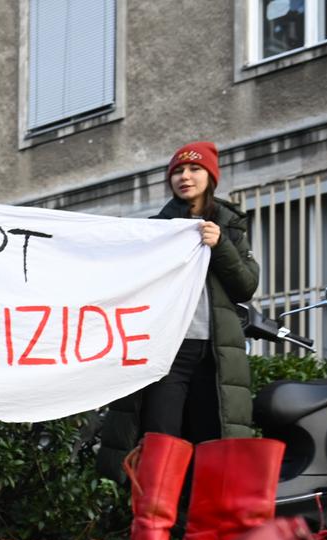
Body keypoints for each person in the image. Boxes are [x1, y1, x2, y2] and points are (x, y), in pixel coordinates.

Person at [96, 141, 261, 480]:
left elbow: (245, 286)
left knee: (211, 442)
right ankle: (158, 525)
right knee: (161, 441)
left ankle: (198, 528)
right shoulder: (156, 228)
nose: (185, 177)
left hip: (216, 354)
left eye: (194, 169)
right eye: (177, 171)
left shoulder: (230, 226)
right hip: (170, 350)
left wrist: (221, 246)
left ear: (211, 176)